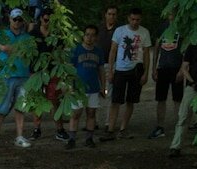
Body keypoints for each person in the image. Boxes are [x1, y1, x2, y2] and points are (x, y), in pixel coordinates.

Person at [102, 8, 151, 140]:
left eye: (137, 20)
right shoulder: (120, 31)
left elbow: (146, 54)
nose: (135, 22)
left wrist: (146, 73)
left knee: (131, 100)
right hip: (120, 69)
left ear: (140, 20)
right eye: (133, 19)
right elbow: (113, 51)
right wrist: (111, 70)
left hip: (136, 69)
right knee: (115, 100)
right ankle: (110, 129)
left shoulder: (144, 32)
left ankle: (123, 128)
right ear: (128, 18)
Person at [0, 9, 33, 149]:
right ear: (10, 19)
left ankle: (19, 137)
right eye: (15, 19)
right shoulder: (2, 34)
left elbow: (27, 52)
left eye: (20, 20)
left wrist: (11, 49)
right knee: (1, 107)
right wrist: (17, 49)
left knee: (21, 107)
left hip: (24, 76)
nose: (17, 22)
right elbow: (3, 48)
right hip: (6, 75)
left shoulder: (27, 37)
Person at [29, 11, 68, 142]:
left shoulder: (57, 35)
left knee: (54, 100)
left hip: (53, 72)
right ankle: (36, 129)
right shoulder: (33, 34)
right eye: (45, 20)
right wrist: (31, 73)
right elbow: (30, 54)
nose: (47, 22)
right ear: (40, 19)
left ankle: (60, 130)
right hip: (37, 72)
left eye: (50, 20)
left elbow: (62, 53)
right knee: (37, 102)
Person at [66, 25, 106, 149]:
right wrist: (70, 86)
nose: (89, 37)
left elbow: (101, 70)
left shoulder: (99, 51)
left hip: (93, 88)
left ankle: (89, 138)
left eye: (93, 35)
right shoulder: (76, 50)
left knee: (91, 113)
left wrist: (103, 87)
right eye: (87, 34)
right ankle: (72, 139)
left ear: (96, 37)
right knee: (75, 114)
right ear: (83, 36)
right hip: (78, 88)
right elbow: (70, 69)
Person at [148, 11, 183, 140]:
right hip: (163, 67)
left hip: (176, 67)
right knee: (161, 98)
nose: (171, 15)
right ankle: (160, 127)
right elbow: (157, 47)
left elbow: (186, 49)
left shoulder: (182, 27)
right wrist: (154, 67)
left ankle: (179, 126)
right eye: (169, 12)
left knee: (177, 99)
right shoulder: (162, 26)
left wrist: (182, 69)